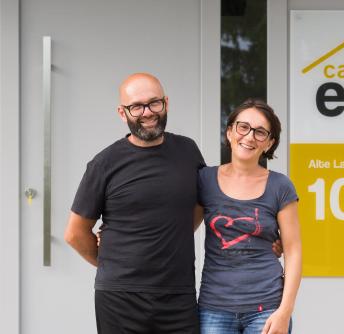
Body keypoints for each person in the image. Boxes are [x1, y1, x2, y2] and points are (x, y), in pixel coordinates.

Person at [64, 73, 205, 333]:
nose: (147, 112)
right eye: (136, 106)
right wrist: (113, 263)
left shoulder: (188, 151)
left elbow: (198, 208)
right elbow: (74, 233)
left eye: (154, 103)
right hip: (120, 299)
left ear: (166, 103)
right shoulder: (104, 164)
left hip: (178, 295)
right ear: (122, 112)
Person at [195, 98, 302, 334]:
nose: (250, 136)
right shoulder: (204, 180)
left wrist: (284, 312)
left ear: (269, 143)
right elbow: (179, 228)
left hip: (267, 309)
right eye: (243, 127)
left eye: (260, 132)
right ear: (230, 131)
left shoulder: (280, 186)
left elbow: (294, 251)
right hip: (214, 307)